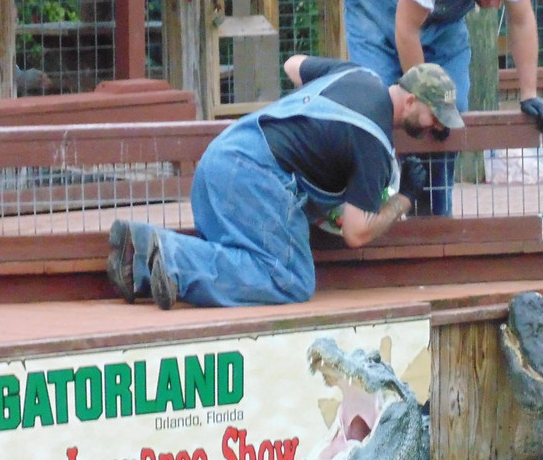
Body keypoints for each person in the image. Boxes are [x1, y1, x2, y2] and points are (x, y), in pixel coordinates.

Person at [105, 57, 464, 309]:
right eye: (435, 116)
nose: (437, 128)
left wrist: (318, 136)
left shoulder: (356, 73)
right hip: (252, 179)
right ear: (412, 100)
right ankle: (172, 256)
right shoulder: (373, 141)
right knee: (290, 279)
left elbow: (293, 64)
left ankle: (138, 259)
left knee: (240, 260)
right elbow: (357, 232)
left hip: (218, 161)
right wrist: (404, 198)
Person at [341, 0, 543, 216]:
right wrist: (424, 98)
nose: (496, 3)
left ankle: (434, 218)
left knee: (449, 109)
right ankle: (371, 214)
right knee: (381, 105)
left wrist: (529, 94)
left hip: (442, 11)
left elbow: (521, 20)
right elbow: (406, 30)